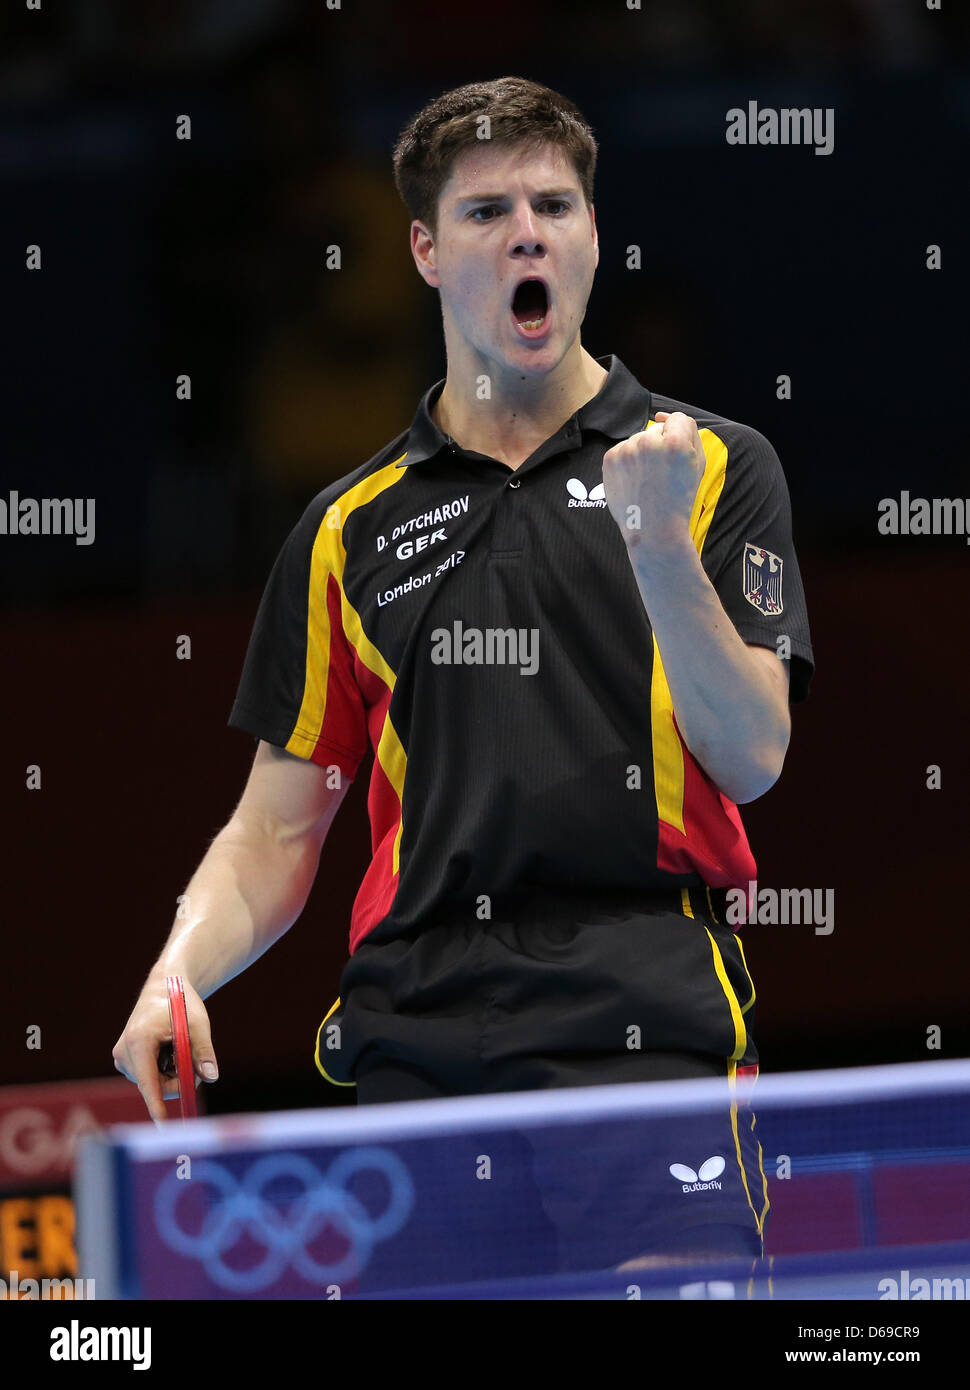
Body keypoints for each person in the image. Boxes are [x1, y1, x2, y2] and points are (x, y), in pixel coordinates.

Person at [113, 76, 814, 1274]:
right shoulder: (347, 529)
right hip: (419, 1040)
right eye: (487, 211)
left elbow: (751, 758)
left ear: (592, 237)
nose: (527, 230)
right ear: (428, 253)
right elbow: (277, 831)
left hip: (646, 1019)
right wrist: (176, 969)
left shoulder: (709, 468)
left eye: (554, 203)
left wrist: (652, 543)